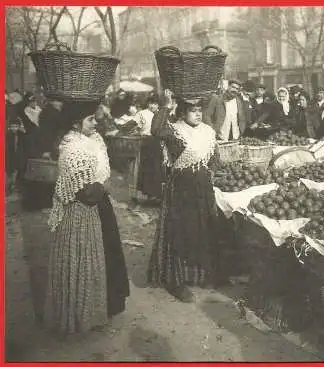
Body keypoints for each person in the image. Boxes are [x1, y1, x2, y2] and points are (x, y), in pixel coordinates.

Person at [44, 101, 129, 334]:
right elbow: (85, 192)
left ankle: (108, 303)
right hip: (82, 210)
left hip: (100, 205)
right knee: (85, 257)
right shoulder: (72, 147)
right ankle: (82, 312)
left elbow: (101, 173)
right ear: (75, 122)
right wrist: (103, 187)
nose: (95, 122)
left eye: (95, 118)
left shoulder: (95, 139)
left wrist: (103, 185)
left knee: (107, 253)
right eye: (90, 119)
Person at [148, 96, 220, 302]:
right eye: (192, 110)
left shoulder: (207, 131)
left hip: (202, 187)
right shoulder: (175, 130)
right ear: (182, 112)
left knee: (202, 229)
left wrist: (209, 172)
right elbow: (155, 130)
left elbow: (215, 158)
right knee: (180, 232)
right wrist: (166, 105)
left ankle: (199, 274)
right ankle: (176, 281)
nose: (198, 114)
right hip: (181, 188)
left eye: (200, 110)